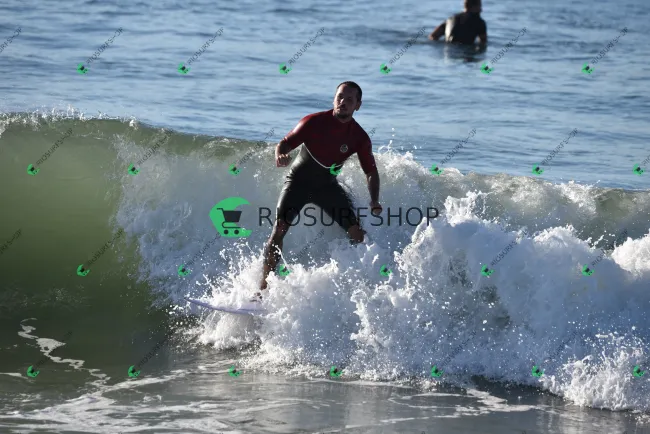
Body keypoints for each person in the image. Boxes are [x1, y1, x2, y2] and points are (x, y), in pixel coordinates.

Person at [253, 81, 382, 299]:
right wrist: (280, 154)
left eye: (349, 99)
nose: (343, 102)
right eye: (340, 97)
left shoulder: (359, 137)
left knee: (358, 234)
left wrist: (374, 200)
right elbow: (284, 143)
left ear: (358, 105)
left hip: (327, 187)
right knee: (279, 229)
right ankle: (261, 292)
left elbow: (371, 172)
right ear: (334, 99)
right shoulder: (313, 122)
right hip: (297, 183)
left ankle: (361, 291)